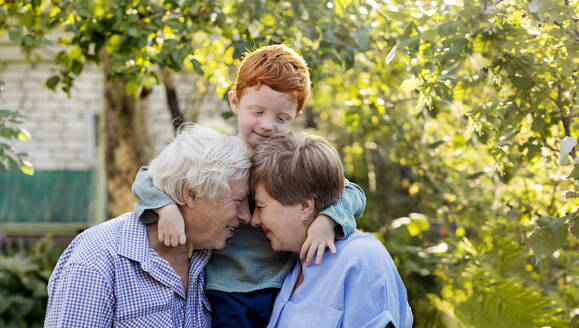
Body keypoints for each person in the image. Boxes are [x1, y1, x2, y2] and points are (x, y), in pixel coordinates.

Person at [131, 44, 366, 327]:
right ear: (235, 102)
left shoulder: (291, 161)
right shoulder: (219, 155)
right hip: (225, 288)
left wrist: (327, 220)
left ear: (296, 118)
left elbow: (351, 192)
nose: (267, 126)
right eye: (257, 112)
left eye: (281, 118)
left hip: (282, 284)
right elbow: (148, 175)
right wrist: (165, 207)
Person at [44, 125, 252, 328]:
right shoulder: (97, 259)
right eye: (238, 202)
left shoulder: (209, 258)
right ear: (191, 194)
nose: (247, 216)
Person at [250, 132, 413, 328]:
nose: (254, 220)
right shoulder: (294, 263)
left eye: (260, 206)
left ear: (304, 206)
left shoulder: (362, 258)